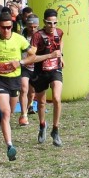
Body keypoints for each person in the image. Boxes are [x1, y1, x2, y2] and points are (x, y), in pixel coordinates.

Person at [0, 13, 31, 161]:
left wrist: (21, 62)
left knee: (9, 113)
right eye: (3, 28)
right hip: (0, 80)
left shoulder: (19, 39)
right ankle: (10, 146)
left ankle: (0, 117)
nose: (6, 30)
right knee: (6, 112)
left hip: (15, 80)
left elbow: (32, 55)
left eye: (9, 27)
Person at [29, 8, 66, 147]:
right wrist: (48, 56)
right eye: (50, 23)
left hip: (55, 69)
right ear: (44, 22)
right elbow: (32, 56)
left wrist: (61, 56)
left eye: (55, 23)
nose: (53, 26)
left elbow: (61, 42)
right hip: (40, 71)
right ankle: (42, 125)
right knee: (42, 101)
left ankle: (55, 129)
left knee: (57, 98)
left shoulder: (60, 32)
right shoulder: (37, 36)